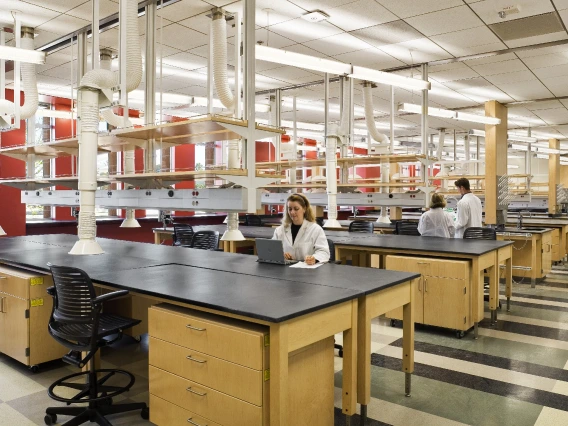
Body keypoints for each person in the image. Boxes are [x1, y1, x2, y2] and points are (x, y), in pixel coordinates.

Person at [272, 193, 330, 264]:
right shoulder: (280, 230)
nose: (292, 212)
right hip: (285, 270)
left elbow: (324, 252)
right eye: (290, 209)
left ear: (304, 209)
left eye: (296, 209)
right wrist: (281, 255)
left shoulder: (315, 229)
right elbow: (273, 251)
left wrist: (314, 258)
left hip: (307, 271)